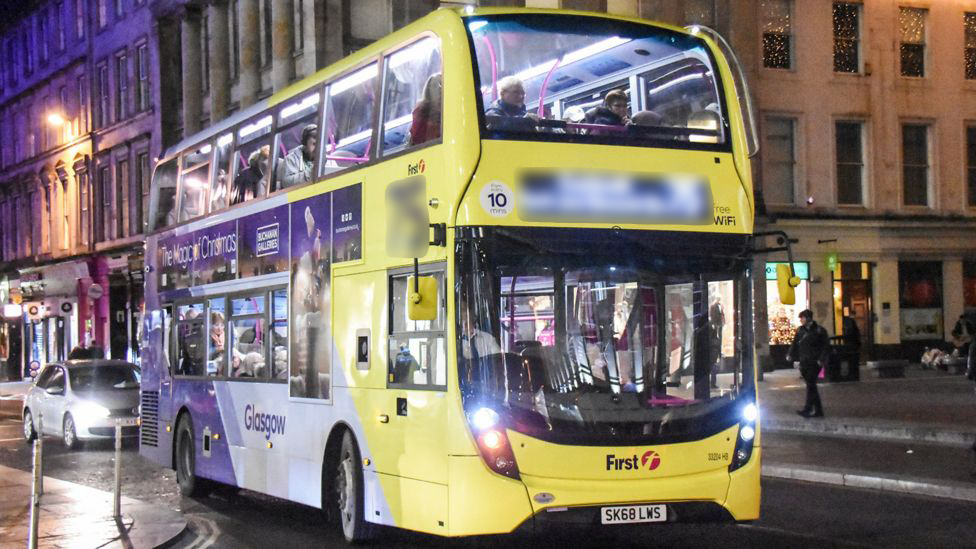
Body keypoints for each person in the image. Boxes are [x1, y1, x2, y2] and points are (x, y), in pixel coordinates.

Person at [787, 309, 830, 418]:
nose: (801, 320)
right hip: (804, 361)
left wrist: (821, 359)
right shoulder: (800, 331)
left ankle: (808, 409)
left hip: (814, 362)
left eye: (802, 318)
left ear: (808, 318)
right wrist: (790, 354)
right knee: (811, 386)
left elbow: (825, 346)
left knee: (811, 384)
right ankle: (818, 410)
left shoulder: (819, 331)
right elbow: (795, 344)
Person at [276, 124, 318, 190]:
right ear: (304, 143)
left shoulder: (326, 160)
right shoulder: (291, 159)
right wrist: (310, 173)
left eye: (320, 144)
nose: (317, 148)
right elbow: (286, 182)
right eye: (314, 144)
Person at [409, 74, 442, 146]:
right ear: (428, 91)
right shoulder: (421, 112)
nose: (439, 90)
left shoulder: (450, 112)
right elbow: (417, 139)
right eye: (435, 86)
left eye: (442, 85)